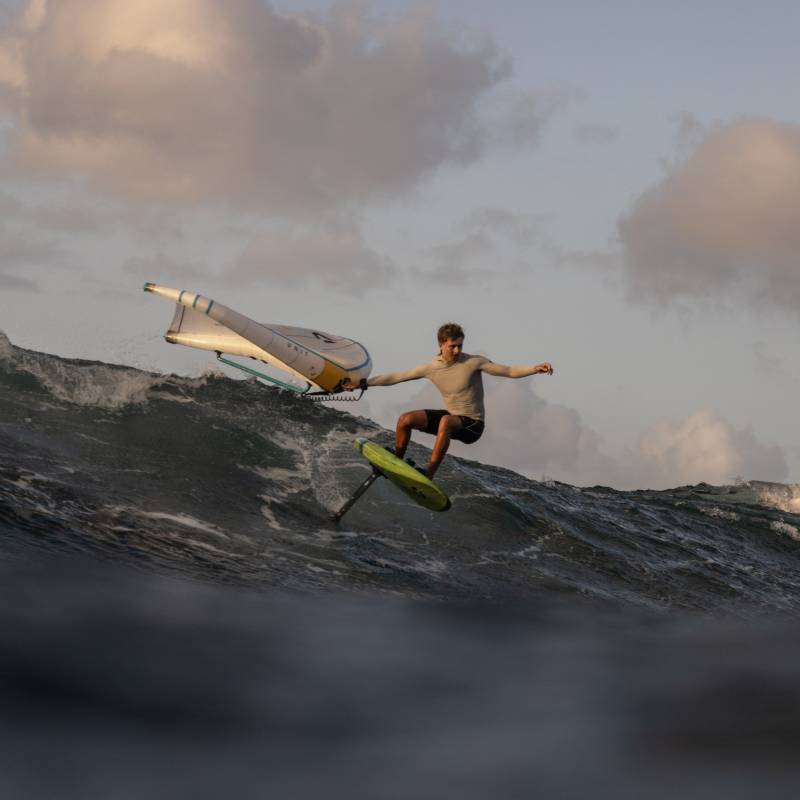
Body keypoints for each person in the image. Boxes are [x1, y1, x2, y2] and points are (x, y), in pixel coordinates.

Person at [343, 323, 553, 479]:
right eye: (453, 346)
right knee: (406, 420)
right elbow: (396, 377)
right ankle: (396, 460)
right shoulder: (431, 368)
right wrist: (363, 384)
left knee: (445, 421)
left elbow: (508, 371)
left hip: (473, 426)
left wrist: (534, 368)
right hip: (453, 418)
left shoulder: (474, 362)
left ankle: (429, 472)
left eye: (460, 345)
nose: (457, 351)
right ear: (441, 344)